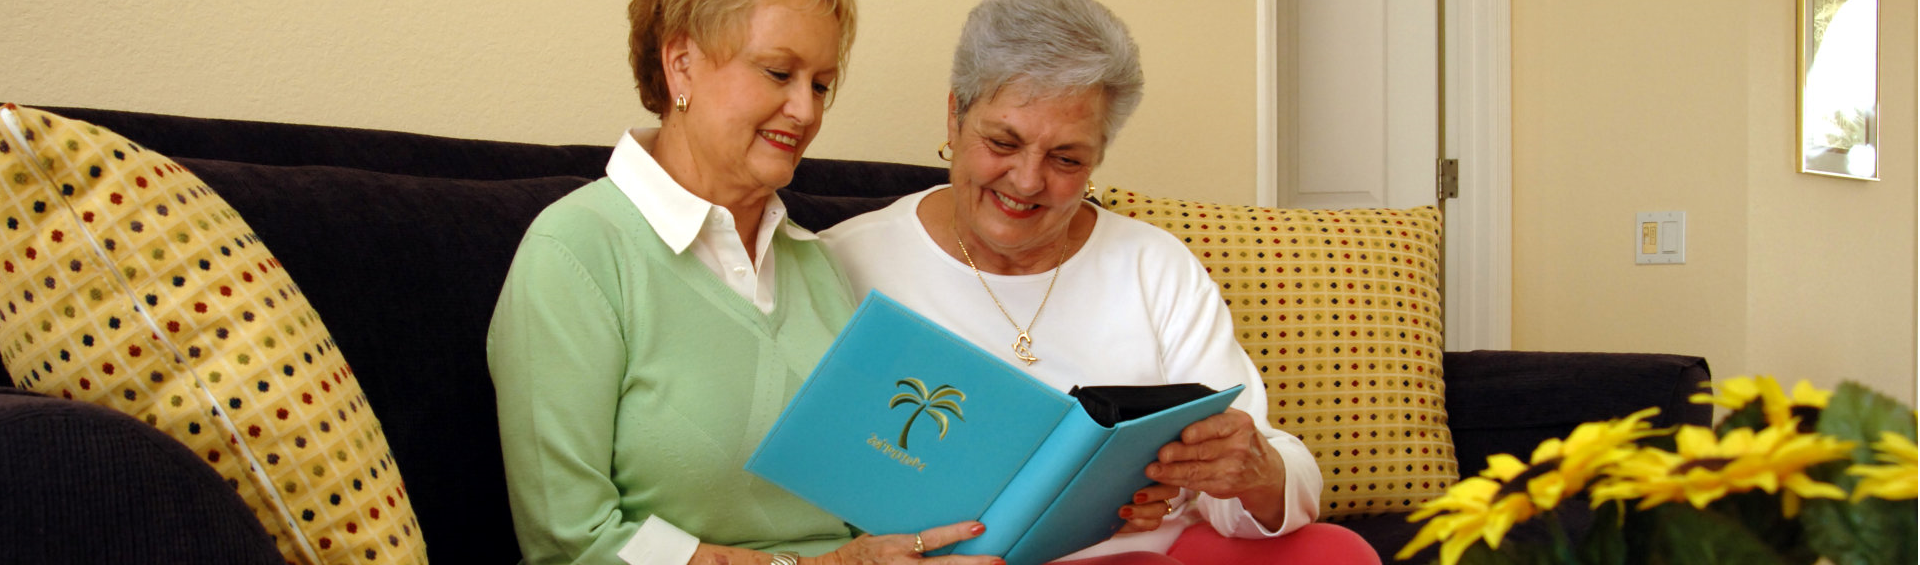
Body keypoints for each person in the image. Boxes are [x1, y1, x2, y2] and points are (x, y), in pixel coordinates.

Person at [818, 1, 1379, 563]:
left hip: (1152, 553)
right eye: (1003, 143)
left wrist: (1252, 469)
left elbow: (1245, 474)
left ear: (1099, 157)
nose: (1028, 179)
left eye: (1066, 158)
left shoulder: (1154, 265)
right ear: (954, 118)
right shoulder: (845, 262)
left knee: (1338, 551)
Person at [487, 1, 1001, 564]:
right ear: (681, 64)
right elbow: (568, 542)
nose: (806, 111)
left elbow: (875, 491)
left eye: (822, 86)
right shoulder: (575, 252)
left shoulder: (816, 262)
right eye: (779, 73)